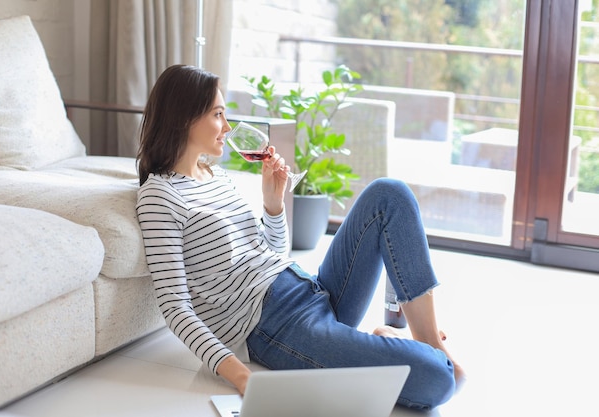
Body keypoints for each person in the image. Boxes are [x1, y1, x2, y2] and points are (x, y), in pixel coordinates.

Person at [135, 64, 465, 410]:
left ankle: (428, 339)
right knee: (438, 380)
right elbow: (175, 306)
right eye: (218, 115)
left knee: (389, 194)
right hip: (276, 326)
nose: (228, 127)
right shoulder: (160, 197)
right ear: (185, 117)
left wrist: (273, 206)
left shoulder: (214, 176)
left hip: (307, 287)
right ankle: (386, 344)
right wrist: (240, 375)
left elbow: (272, 254)